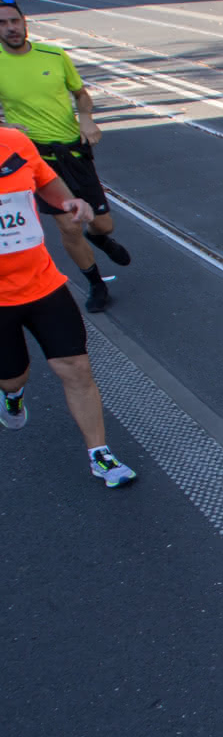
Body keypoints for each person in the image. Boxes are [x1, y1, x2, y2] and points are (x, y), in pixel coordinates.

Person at [0, 126, 138, 488]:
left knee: (76, 367)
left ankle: (100, 455)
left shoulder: (13, 142)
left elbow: (45, 178)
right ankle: (12, 396)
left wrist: (69, 202)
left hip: (42, 283)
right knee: (14, 376)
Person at [0, 0, 132, 314]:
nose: (10, 29)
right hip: (37, 157)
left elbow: (81, 94)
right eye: (2, 24)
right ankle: (96, 284)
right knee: (69, 226)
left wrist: (86, 118)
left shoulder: (55, 55)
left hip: (74, 150)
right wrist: (4, 126)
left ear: (24, 21)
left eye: (13, 21)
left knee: (103, 224)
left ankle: (99, 238)